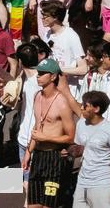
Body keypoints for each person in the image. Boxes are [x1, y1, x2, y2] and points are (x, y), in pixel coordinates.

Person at [25, 58, 76, 208]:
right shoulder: (37, 96)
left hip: (54, 159)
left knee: (49, 205)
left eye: (42, 73)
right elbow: (37, 126)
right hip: (38, 156)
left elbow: (71, 136)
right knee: (33, 205)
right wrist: (29, 151)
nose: (38, 76)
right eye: (38, 73)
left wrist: (46, 137)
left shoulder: (62, 102)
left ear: (53, 77)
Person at [72, 91, 110, 208]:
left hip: (102, 183)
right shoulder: (81, 124)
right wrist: (69, 151)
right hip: (82, 181)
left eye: (85, 105)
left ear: (96, 109)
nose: (81, 108)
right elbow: (80, 148)